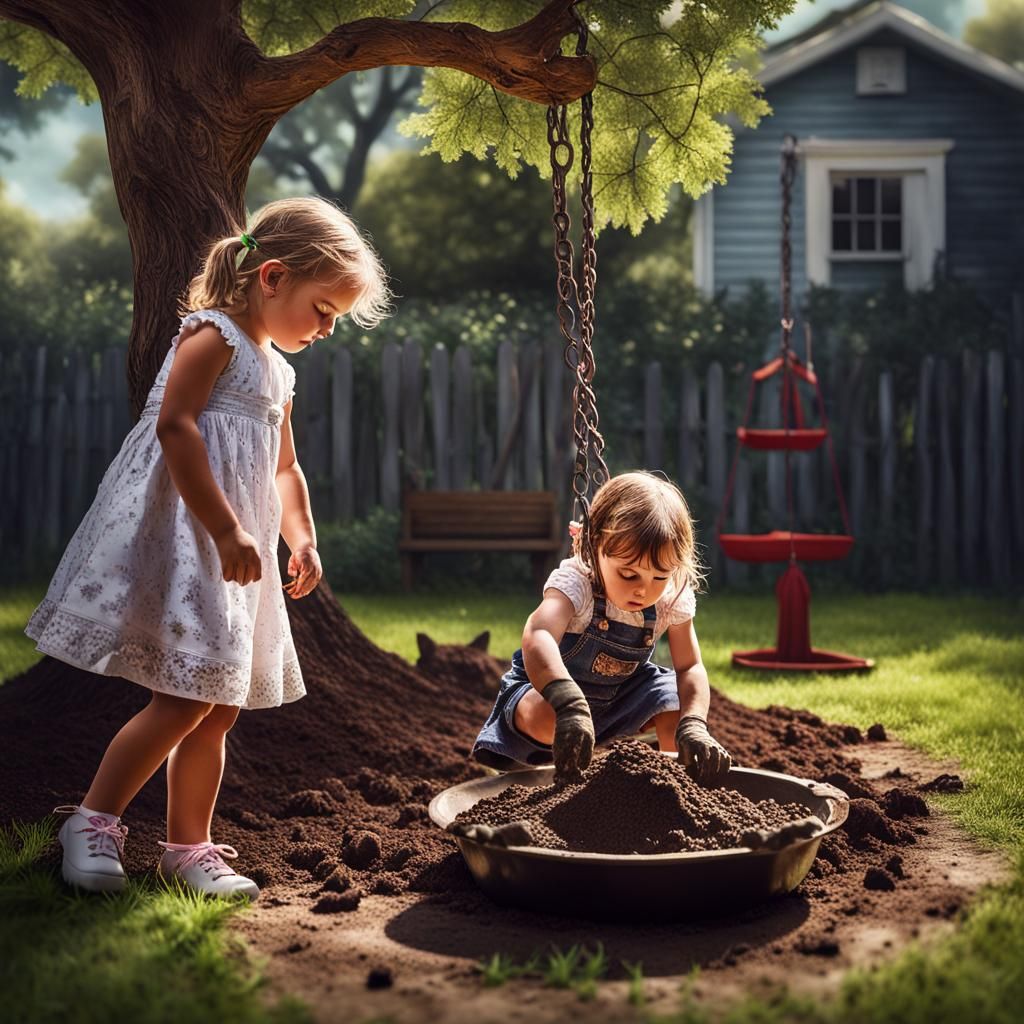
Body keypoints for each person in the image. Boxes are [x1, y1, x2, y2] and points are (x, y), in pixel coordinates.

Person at [25, 197, 391, 897]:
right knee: (183, 700)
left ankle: (187, 848)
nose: (327, 328)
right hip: (194, 536)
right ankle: (93, 819)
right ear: (274, 276)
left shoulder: (278, 372)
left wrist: (302, 536)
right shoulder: (214, 334)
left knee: (217, 704)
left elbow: (284, 467)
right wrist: (226, 528)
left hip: (238, 550)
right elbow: (176, 428)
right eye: (323, 310)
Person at [472, 471, 731, 784]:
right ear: (593, 549)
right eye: (629, 574)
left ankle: (673, 784)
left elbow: (689, 666)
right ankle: (548, 769)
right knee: (547, 718)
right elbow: (538, 634)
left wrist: (695, 724)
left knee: (676, 702)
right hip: (550, 692)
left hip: (621, 694)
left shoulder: (671, 595)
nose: (644, 590)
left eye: (659, 577)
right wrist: (567, 701)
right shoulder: (578, 582)